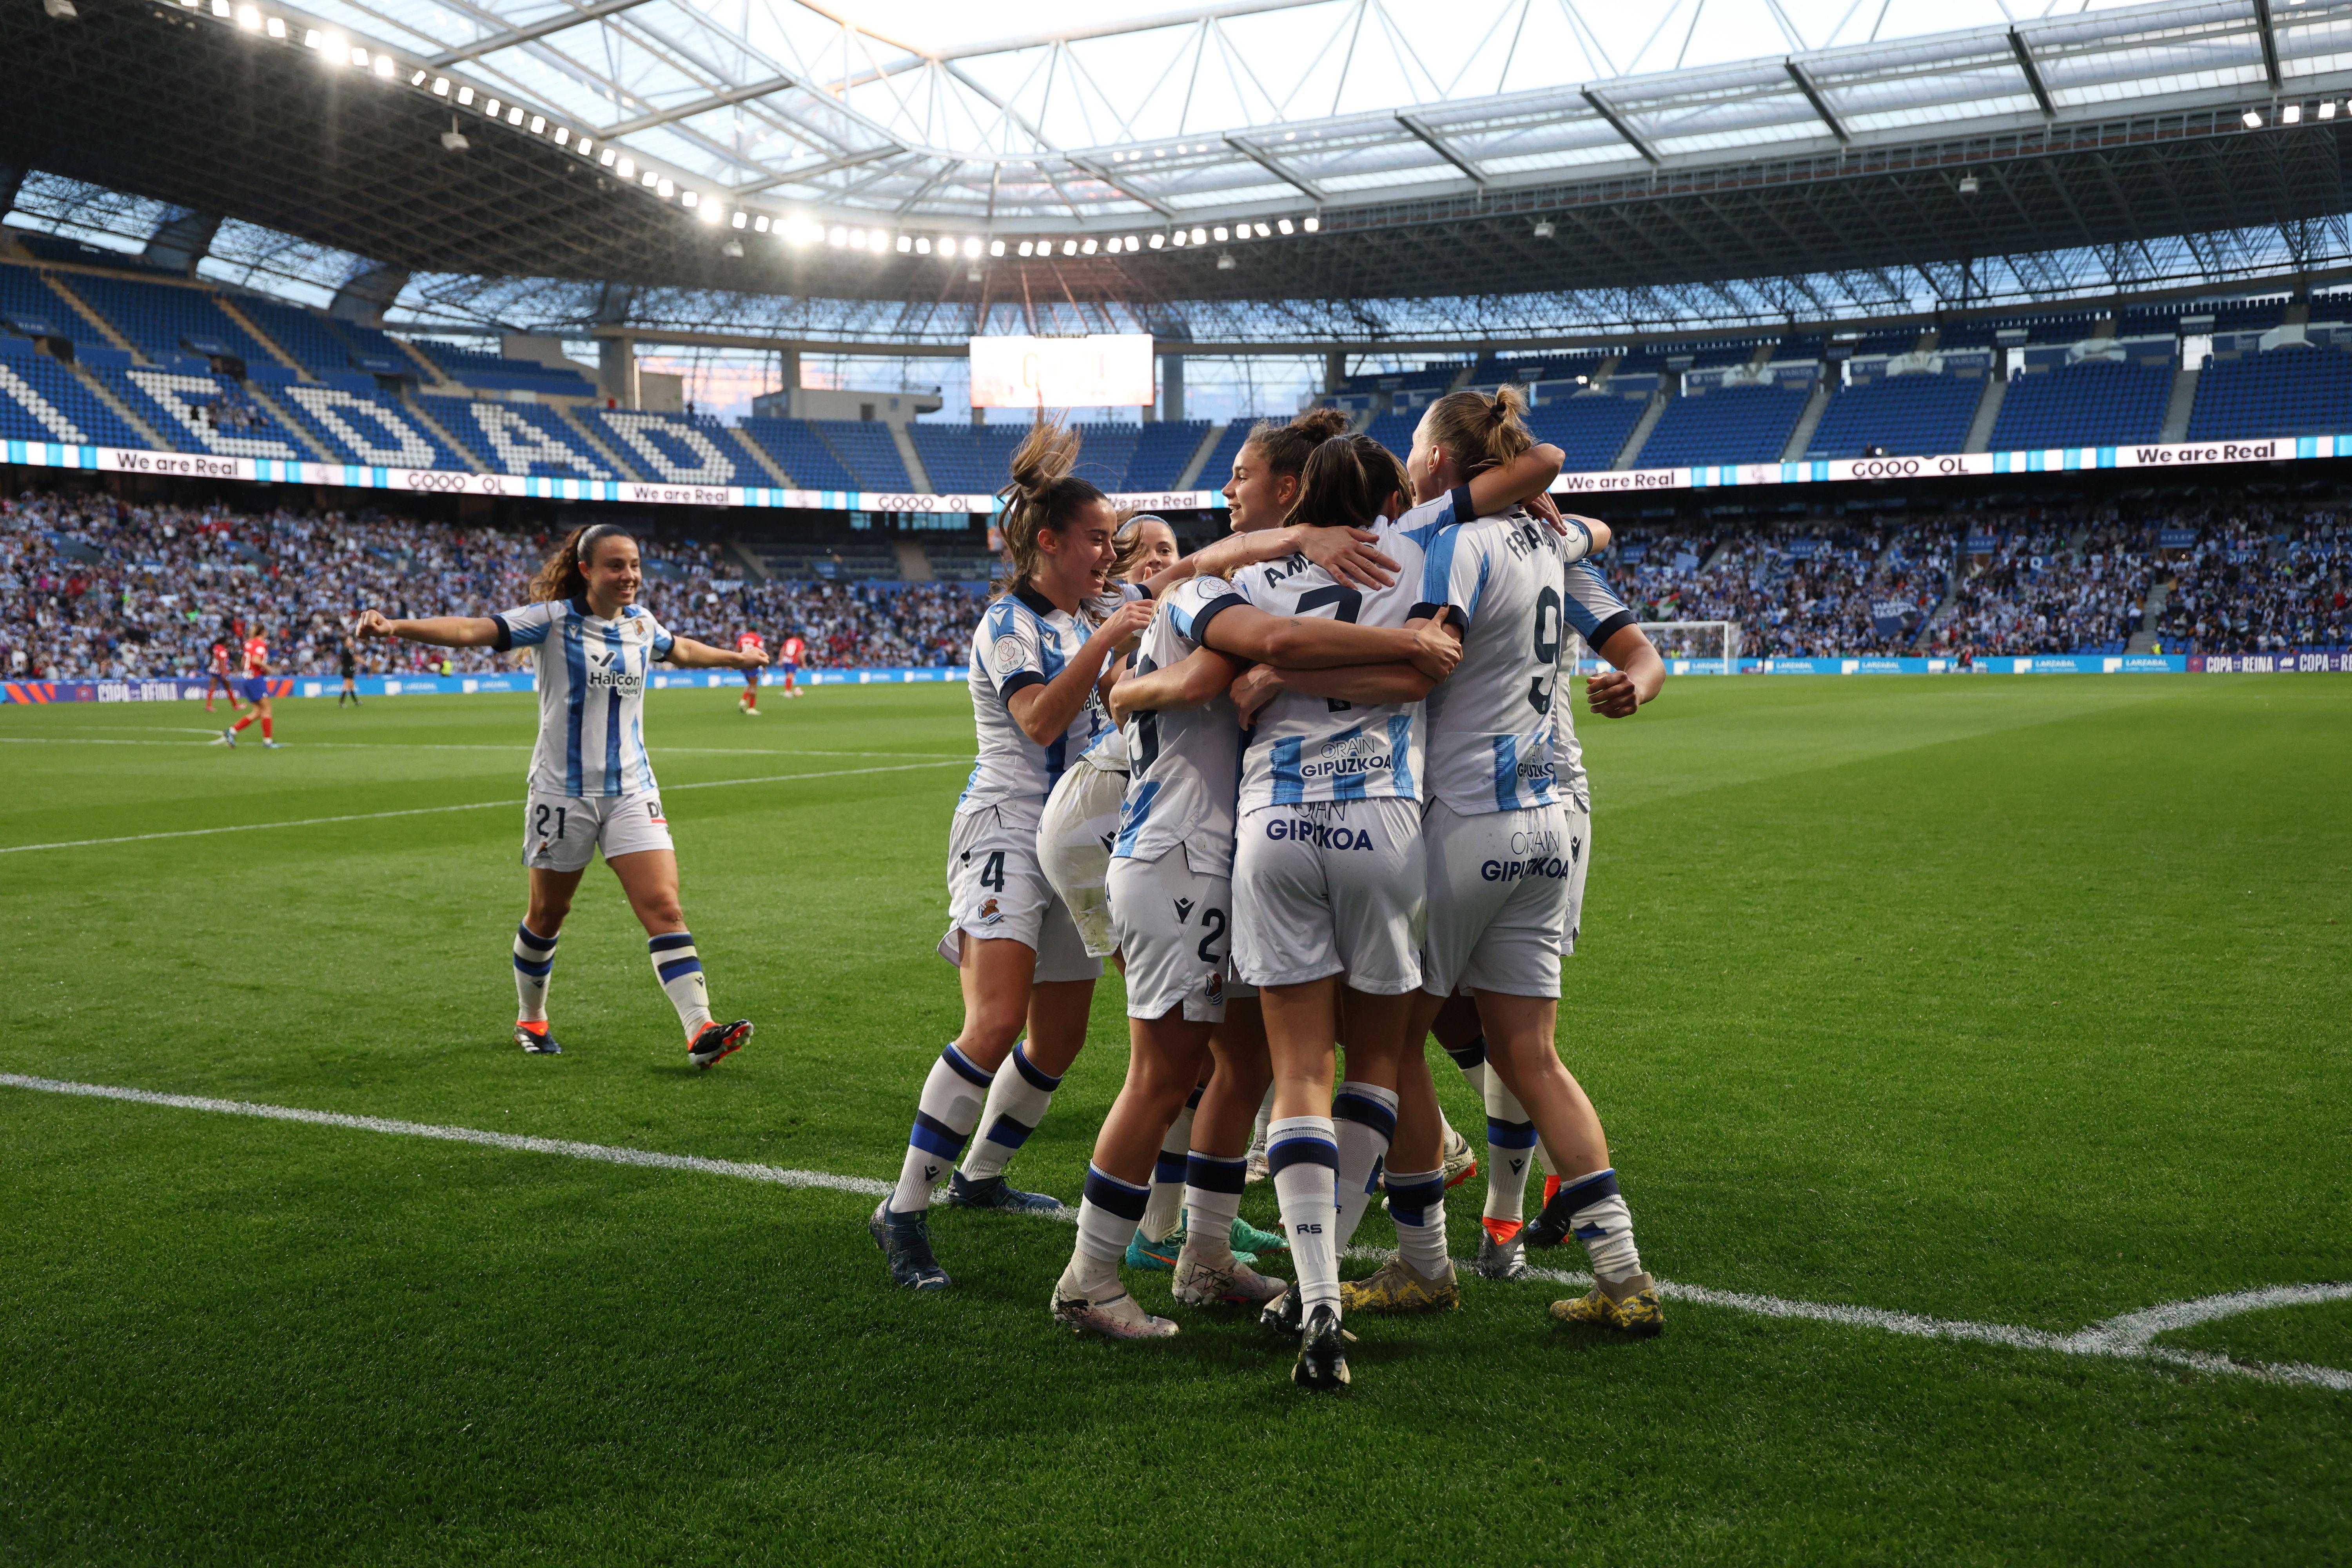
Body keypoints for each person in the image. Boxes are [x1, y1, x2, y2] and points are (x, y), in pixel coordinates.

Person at [1209, 425, 1564, 1388]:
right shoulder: (1415, 551)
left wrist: (1247, 576)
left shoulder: (1247, 577)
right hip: (1384, 827)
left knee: (1297, 1071)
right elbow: (1425, 667)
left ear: (1298, 498)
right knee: (1379, 1059)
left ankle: (1315, 1289)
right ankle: (1354, 1275)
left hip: (1274, 826)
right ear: (1388, 499)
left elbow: (1216, 637)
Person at [1047, 515, 1459, 1339]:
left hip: (1216, 856)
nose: (1235, 504)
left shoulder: (1211, 585)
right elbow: (1221, 665)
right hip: (1178, 855)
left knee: (1245, 1061)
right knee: (1163, 1074)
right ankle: (1087, 1279)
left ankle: (1205, 1254)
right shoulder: (1205, 597)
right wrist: (1402, 641)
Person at [351, 523, 763, 1067]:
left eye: (635, 565)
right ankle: (532, 1018)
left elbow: (680, 648)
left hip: (632, 790)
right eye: (616, 566)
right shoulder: (550, 620)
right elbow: (473, 629)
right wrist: (394, 627)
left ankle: (700, 1030)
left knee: (665, 907)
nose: (629, 576)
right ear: (586, 570)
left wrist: (736, 659)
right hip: (561, 796)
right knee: (548, 913)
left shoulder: (642, 624)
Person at [213, 620, 281, 748]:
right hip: (256, 679)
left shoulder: (249, 643)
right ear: (264, 632)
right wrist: (268, 668)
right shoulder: (260, 644)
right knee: (267, 709)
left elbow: (244, 662)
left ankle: (231, 731)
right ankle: (268, 742)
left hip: (247, 679)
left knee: (258, 711)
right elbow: (256, 660)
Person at [736, 626, 768, 714]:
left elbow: (738, 650)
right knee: (754, 685)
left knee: (750, 684)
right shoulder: (758, 638)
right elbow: (760, 652)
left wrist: (738, 663)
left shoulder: (743, 637)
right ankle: (751, 708)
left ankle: (744, 700)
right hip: (753, 663)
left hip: (743, 662)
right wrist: (764, 667)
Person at [204, 634, 234, 711]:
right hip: (219, 671)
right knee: (226, 687)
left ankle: (209, 705)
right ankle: (235, 705)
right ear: (224, 642)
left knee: (217, 687)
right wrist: (223, 672)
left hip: (214, 670)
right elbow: (221, 662)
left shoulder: (216, 648)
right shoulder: (222, 650)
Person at [778, 630, 806, 697]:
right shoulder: (799, 642)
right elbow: (801, 653)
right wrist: (804, 663)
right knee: (790, 676)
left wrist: (780, 659)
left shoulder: (788, 641)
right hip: (793, 660)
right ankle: (787, 692)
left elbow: (783, 649)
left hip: (786, 660)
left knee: (788, 676)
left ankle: (787, 690)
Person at [337, 637, 360, 707]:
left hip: (346, 669)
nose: (352, 641)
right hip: (348, 669)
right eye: (350, 640)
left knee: (351, 686)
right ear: (346, 642)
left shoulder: (344, 649)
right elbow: (356, 657)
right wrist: (366, 663)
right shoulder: (348, 650)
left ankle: (356, 702)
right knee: (347, 686)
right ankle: (341, 703)